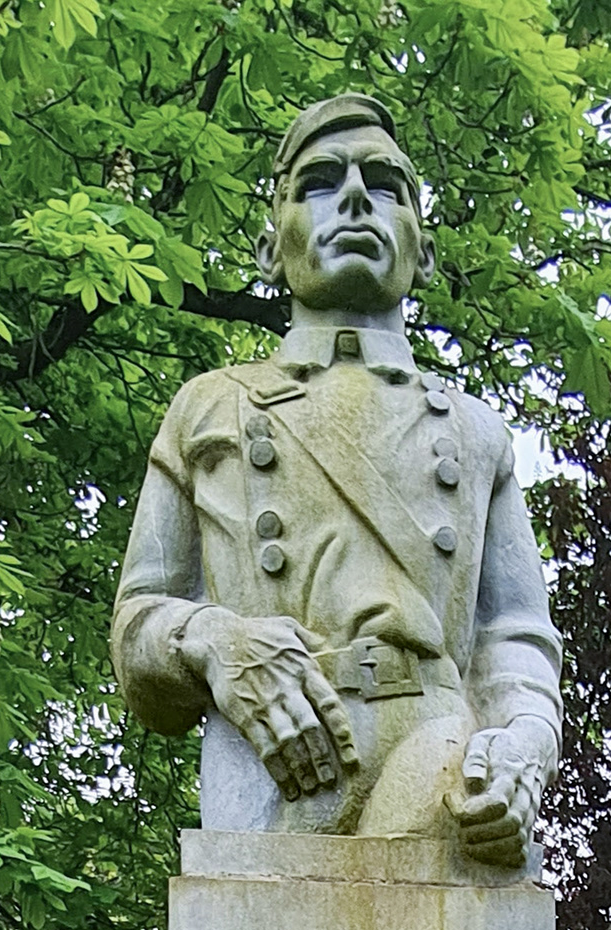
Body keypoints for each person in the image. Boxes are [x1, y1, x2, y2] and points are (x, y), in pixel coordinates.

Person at [111, 95, 561, 872]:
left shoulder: (477, 432)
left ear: (421, 252)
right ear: (269, 246)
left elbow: (515, 639)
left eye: (386, 184)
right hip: (270, 752)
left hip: (442, 756)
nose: (355, 196)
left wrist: (524, 748)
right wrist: (218, 642)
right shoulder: (208, 406)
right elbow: (138, 627)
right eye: (320, 180)